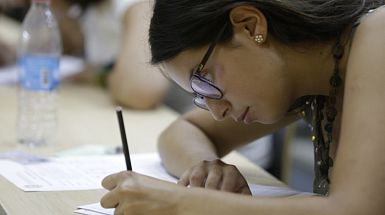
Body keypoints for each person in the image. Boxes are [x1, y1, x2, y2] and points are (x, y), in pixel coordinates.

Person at [100, 0, 385, 214]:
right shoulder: (310, 79)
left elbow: (354, 210)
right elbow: (183, 130)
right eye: (199, 94)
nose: (216, 112)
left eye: (205, 80)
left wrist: (180, 201)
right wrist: (208, 173)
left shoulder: (378, 32)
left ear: (250, 26)